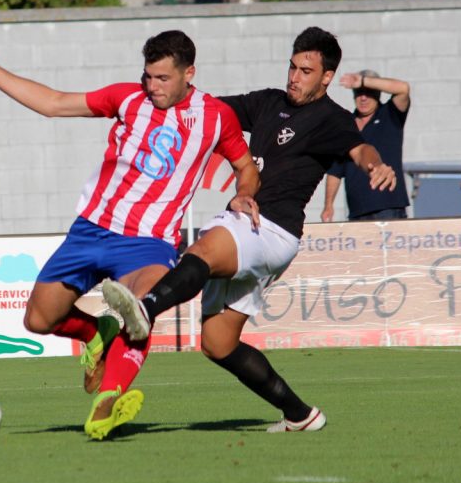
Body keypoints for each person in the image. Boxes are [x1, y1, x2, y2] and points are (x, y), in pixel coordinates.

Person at [0, 30, 260, 440]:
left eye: (162, 78)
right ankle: (96, 332)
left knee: (142, 309)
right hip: (90, 231)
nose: (152, 86)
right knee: (38, 319)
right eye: (148, 76)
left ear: (189, 73)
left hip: (148, 243)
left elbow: (246, 168)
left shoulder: (217, 117)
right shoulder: (127, 98)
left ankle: (107, 403)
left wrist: (243, 194)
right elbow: (54, 104)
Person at [102, 27, 396, 433]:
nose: (295, 76)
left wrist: (374, 166)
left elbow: (360, 149)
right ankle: (301, 415)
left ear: (327, 77)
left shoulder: (333, 119)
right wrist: (168, 91)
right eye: (293, 66)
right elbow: (212, 109)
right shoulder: (268, 102)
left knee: (202, 251)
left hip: (271, 228)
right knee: (218, 344)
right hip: (253, 230)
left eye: (306, 70)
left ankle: (144, 309)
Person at [321, 70, 411, 222]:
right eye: (359, 93)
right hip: (357, 212)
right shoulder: (346, 125)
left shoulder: (390, 114)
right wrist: (328, 205)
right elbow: (335, 171)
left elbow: (403, 88)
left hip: (388, 208)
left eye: (368, 93)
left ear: (378, 93)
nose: (363, 98)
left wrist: (362, 81)